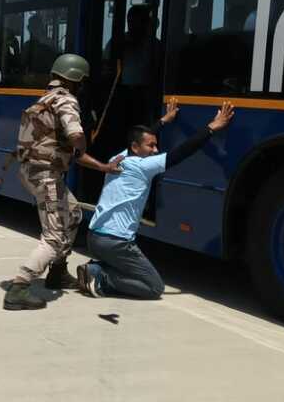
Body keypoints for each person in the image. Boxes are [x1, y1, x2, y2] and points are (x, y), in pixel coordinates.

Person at [78, 100, 235, 299]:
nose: (155, 149)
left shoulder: (117, 159)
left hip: (94, 238)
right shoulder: (143, 166)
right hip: (115, 242)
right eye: (151, 145)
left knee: (134, 273)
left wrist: (163, 121)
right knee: (153, 287)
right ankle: (101, 277)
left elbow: (140, 139)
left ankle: (96, 268)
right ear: (135, 147)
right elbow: (182, 152)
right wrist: (212, 127)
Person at [4, 53, 125, 311]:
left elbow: (68, 152)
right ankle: (19, 287)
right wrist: (82, 142)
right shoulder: (66, 100)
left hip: (33, 171)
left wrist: (102, 167)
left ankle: (58, 271)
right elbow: (76, 137)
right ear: (76, 80)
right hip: (45, 174)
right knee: (54, 236)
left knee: (72, 212)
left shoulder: (44, 100)